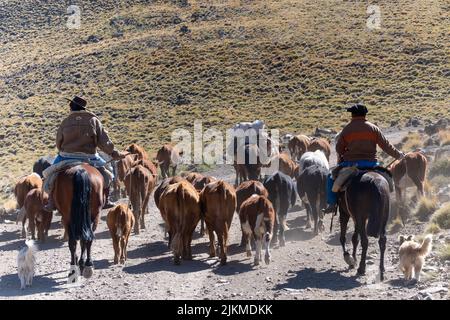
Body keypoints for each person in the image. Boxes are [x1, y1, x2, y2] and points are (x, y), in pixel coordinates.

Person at [44, 96, 125, 211]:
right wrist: (113, 152)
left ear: (71, 107)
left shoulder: (66, 121)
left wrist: (65, 149)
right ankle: (106, 199)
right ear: (83, 108)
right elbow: (104, 142)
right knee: (108, 172)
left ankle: (51, 200)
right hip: (90, 157)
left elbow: (59, 142)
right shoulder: (94, 120)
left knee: (52, 173)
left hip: (66, 156)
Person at [323, 103, 405, 213]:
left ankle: (332, 204)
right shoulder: (373, 128)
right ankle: (390, 204)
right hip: (371, 164)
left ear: (352, 115)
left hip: (350, 165)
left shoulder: (346, 130)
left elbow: (339, 149)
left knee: (330, 177)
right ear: (365, 115)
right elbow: (386, 146)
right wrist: (398, 155)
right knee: (388, 181)